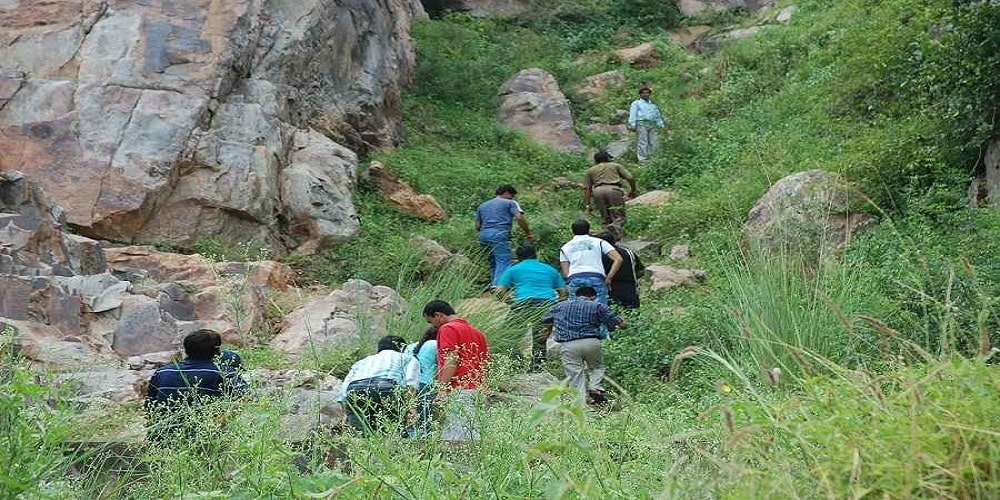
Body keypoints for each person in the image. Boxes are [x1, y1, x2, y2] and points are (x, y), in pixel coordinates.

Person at [144, 330, 249, 443]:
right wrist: (218, 423)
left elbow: (149, 409)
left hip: (162, 439)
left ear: (186, 349)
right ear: (217, 350)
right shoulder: (221, 372)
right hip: (203, 438)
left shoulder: (162, 372)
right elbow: (245, 398)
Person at [542, 286, 625, 405]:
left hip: (568, 345)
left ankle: (580, 403)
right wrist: (623, 325)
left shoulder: (559, 306)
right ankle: (595, 387)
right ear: (592, 296)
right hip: (591, 342)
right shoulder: (597, 306)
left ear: (576, 295)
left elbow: (545, 319)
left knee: (575, 374)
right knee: (597, 367)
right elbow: (617, 322)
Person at [423, 300, 489, 441]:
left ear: (438, 315)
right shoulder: (478, 333)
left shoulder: (448, 329)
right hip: (477, 389)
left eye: (431, 321)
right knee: (473, 434)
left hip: (459, 389)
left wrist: (442, 389)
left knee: (456, 438)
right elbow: (484, 363)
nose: (433, 327)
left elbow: (451, 359)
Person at [496, 244, 567, 370]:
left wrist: (511, 302)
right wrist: (556, 306)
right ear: (536, 255)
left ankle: (517, 363)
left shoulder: (514, 269)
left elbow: (499, 291)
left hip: (523, 303)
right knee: (540, 338)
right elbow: (563, 292)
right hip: (546, 304)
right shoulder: (549, 269)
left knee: (507, 336)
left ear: (517, 257)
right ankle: (537, 368)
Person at [337, 335, 420, 436]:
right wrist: (411, 408)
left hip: (355, 390)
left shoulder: (362, 361)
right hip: (386, 388)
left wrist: (347, 412)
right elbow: (410, 382)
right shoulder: (408, 358)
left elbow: (344, 389)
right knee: (393, 433)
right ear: (403, 348)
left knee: (360, 436)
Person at [476, 184, 534, 287]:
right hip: (499, 234)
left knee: (493, 261)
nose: (512, 198)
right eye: (512, 195)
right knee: (503, 261)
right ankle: (499, 287)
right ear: (506, 192)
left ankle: (493, 284)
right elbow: (519, 218)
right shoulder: (510, 203)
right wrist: (528, 233)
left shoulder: (483, 205)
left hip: (483, 235)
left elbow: (477, 226)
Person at [559, 219, 623, 306]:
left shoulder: (565, 247)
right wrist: (608, 278)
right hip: (596, 277)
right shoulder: (599, 242)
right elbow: (618, 259)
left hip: (575, 278)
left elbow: (566, 273)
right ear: (589, 230)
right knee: (600, 310)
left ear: (572, 231)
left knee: (575, 309)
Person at [583, 150, 638, 240]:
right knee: (619, 216)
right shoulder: (615, 166)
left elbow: (586, 188)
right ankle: (615, 227)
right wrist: (633, 190)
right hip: (613, 190)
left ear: (595, 160)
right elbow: (630, 177)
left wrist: (588, 204)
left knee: (605, 217)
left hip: (598, 191)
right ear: (608, 158)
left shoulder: (590, 170)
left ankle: (609, 237)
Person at [404, 327, 439, 437]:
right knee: (425, 421)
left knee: (410, 419)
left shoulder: (411, 347)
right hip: (426, 385)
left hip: (408, 384)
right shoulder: (436, 344)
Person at [596, 232, 644, 309]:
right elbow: (640, 271)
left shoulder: (601, 254)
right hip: (629, 286)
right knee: (632, 311)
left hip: (609, 287)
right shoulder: (628, 252)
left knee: (613, 313)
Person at [627, 86, 667, 165]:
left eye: (647, 93)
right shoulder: (636, 103)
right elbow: (633, 114)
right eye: (644, 93)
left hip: (652, 124)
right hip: (641, 123)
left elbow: (657, 116)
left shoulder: (653, 105)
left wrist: (661, 125)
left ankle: (655, 159)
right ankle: (643, 160)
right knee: (643, 141)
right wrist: (633, 124)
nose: (646, 95)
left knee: (654, 141)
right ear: (640, 94)